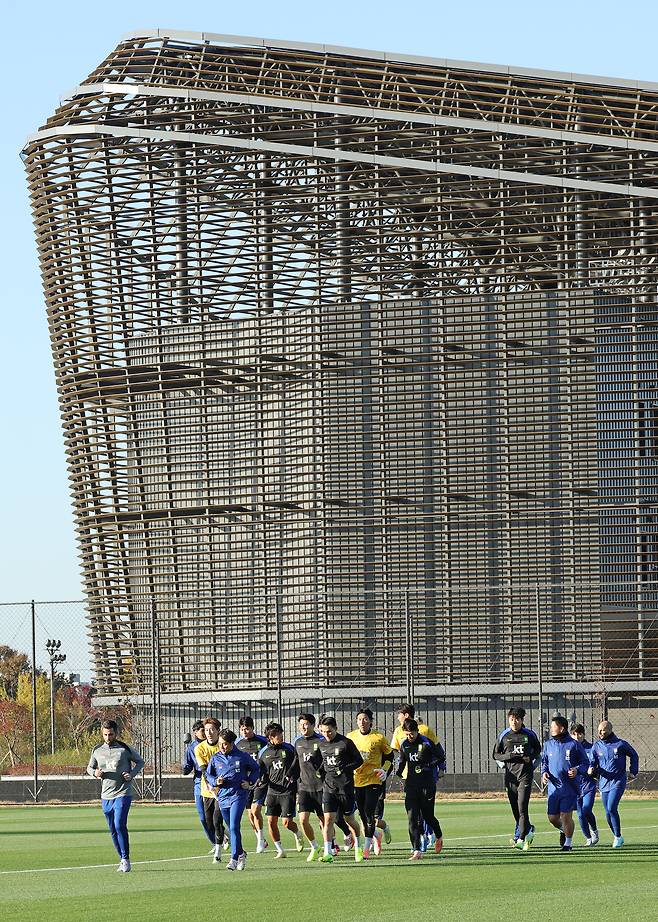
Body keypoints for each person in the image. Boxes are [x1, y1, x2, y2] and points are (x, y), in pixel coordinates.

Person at [86, 719, 145, 873]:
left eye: (110, 734)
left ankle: (126, 859)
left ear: (116, 733)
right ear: (102, 733)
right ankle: (122, 858)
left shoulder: (124, 748)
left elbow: (140, 762)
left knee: (119, 824)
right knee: (112, 828)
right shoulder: (97, 750)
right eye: (105, 734)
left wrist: (131, 774)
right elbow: (89, 767)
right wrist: (95, 773)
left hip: (123, 793)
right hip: (106, 795)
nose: (108, 737)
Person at [205, 728, 260, 870]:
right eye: (221, 743)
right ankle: (241, 855)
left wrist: (249, 782)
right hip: (223, 796)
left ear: (232, 743)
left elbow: (256, 769)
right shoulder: (215, 758)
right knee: (231, 828)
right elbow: (208, 775)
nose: (222, 747)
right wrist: (215, 781)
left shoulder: (242, 756)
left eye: (225, 744)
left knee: (235, 826)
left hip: (238, 795)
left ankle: (234, 858)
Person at [492, 706, 541, 851]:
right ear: (509, 719)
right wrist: (508, 757)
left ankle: (521, 838)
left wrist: (530, 760)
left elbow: (538, 751)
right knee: (515, 810)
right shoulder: (504, 735)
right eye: (512, 719)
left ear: (522, 720)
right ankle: (529, 829)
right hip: (510, 777)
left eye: (517, 719)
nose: (514, 722)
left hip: (525, 777)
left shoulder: (529, 735)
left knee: (522, 808)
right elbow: (495, 754)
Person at [317, 715, 365, 863]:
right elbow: (325, 762)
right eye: (324, 732)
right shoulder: (322, 744)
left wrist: (344, 768)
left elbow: (359, 760)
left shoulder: (346, 743)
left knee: (349, 820)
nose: (327, 734)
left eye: (329, 731)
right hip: (329, 788)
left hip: (345, 788)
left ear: (336, 729)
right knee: (328, 820)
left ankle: (358, 846)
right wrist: (319, 771)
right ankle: (328, 852)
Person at [390, 704, 438, 849]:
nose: (397, 717)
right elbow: (397, 751)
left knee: (425, 811)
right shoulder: (398, 731)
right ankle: (420, 840)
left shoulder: (424, 730)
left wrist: (439, 768)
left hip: (425, 776)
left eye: (399, 714)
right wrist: (397, 771)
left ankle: (431, 833)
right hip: (408, 777)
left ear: (405, 715)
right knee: (413, 812)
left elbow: (437, 750)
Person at [347, 707, 393, 858]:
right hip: (356, 780)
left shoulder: (378, 737)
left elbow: (389, 757)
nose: (362, 722)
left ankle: (366, 848)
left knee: (369, 813)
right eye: (359, 719)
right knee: (362, 815)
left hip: (374, 780)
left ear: (371, 721)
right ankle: (378, 834)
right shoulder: (351, 737)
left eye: (365, 719)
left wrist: (385, 771)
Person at [396, 718, 444, 860]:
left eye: (412, 734)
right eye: (407, 734)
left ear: (417, 731)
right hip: (411, 785)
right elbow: (403, 761)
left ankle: (439, 835)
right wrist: (398, 773)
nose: (409, 737)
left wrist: (428, 764)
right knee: (412, 818)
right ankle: (417, 850)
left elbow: (441, 757)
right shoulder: (404, 745)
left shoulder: (426, 742)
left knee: (428, 816)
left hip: (427, 785)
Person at [587, 719, 639, 848]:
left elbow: (634, 755)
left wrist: (633, 771)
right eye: (599, 730)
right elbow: (592, 763)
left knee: (611, 808)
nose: (600, 732)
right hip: (604, 782)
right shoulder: (597, 746)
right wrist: (591, 769)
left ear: (610, 730)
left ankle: (617, 837)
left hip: (618, 781)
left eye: (603, 730)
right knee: (607, 812)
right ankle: (618, 836)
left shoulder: (620, 744)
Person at [541, 715, 588, 852]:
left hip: (569, 788)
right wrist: (544, 773)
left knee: (566, 815)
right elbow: (544, 762)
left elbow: (585, 763)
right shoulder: (548, 744)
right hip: (553, 789)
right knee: (552, 818)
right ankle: (564, 830)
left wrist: (577, 770)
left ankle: (568, 843)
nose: (550, 729)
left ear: (562, 728)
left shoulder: (574, 744)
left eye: (553, 726)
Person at [258, 721, 304, 858]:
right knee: (271, 821)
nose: (281, 736)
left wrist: (293, 777)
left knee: (286, 823)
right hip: (272, 792)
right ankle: (280, 850)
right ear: (270, 737)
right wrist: (259, 780)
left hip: (287, 791)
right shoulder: (263, 753)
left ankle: (297, 833)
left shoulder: (289, 749)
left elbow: (298, 765)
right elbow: (260, 771)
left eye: (281, 733)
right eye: (277, 734)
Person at [294, 712, 328, 862]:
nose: (303, 727)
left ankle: (329, 847)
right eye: (301, 724)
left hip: (321, 787)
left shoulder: (321, 741)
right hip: (304, 787)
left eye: (306, 724)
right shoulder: (298, 742)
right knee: (302, 819)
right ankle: (314, 847)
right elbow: (296, 762)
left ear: (313, 725)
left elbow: (327, 761)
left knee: (324, 821)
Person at [236, 716, 269, 853]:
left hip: (260, 781)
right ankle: (261, 839)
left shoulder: (262, 741)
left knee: (256, 811)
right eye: (242, 729)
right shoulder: (237, 743)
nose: (245, 731)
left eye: (247, 729)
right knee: (250, 815)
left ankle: (260, 840)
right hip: (245, 783)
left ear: (252, 728)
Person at [195, 717, 226, 862]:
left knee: (217, 820)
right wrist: (210, 784)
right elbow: (203, 770)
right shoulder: (199, 748)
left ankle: (218, 854)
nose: (209, 733)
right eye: (206, 730)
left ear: (218, 731)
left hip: (224, 791)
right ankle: (224, 840)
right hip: (207, 790)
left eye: (212, 730)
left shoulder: (223, 746)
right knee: (209, 822)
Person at [182, 719, 215, 847]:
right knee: (203, 817)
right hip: (199, 783)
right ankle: (215, 842)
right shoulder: (192, 748)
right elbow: (188, 767)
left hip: (215, 783)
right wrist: (185, 768)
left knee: (217, 815)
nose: (206, 733)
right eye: (203, 730)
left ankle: (222, 837)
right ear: (195, 732)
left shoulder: (215, 744)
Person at [569, 722, 599, 846]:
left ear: (583, 734)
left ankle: (594, 831)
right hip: (575, 786)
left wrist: (594, 771)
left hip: (589, 784)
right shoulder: (569, 748)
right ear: (571, 735)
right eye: (574, 734)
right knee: (580, 814)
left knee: (586, 809)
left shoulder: (591, 748)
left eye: (580, 734)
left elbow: (598, 764)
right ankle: (588, 838)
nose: (577, 737)